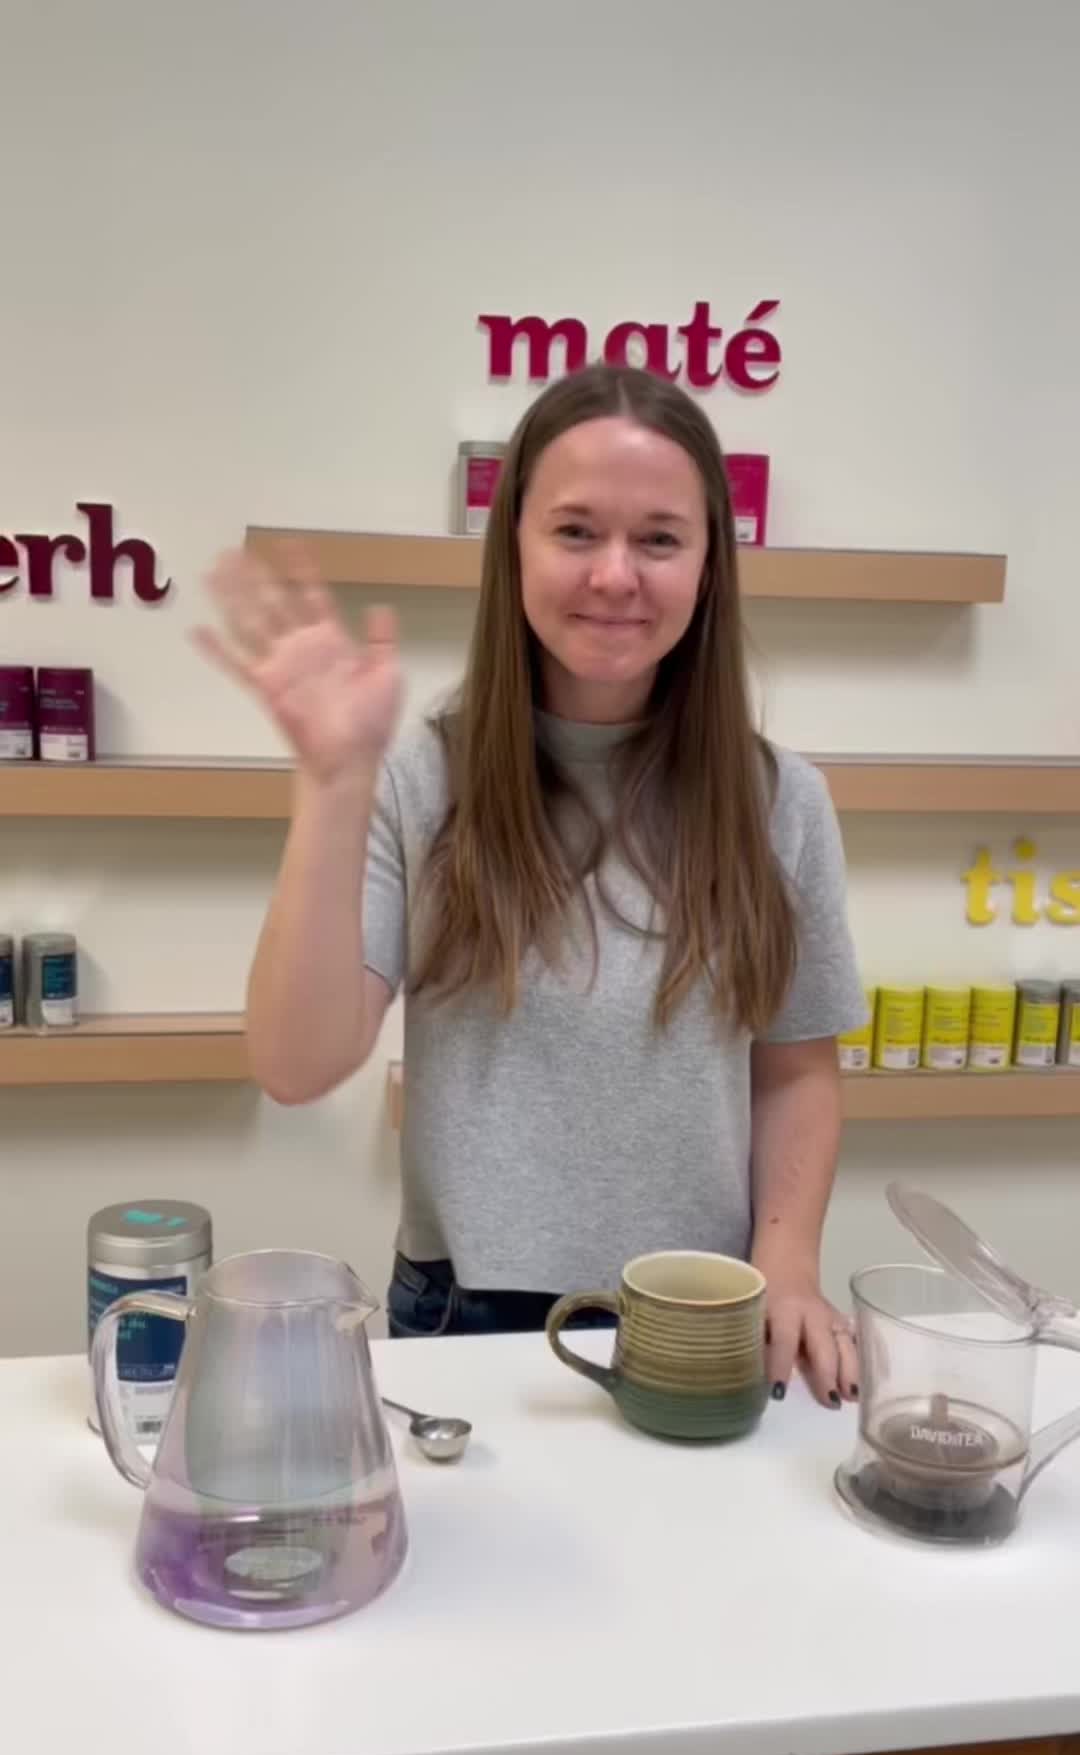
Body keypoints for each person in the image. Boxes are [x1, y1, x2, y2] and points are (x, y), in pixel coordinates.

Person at [194, 363, 866, 1405]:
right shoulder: (417, 779)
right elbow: (294, 1061)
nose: (615, 575)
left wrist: (790, 1261)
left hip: (703, 1313)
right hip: (463, 1314)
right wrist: (331, 787)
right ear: (513, 546)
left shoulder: (783, 801)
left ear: (708, 566)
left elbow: (795, 1070)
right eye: (575, 531)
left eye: (659, 539)